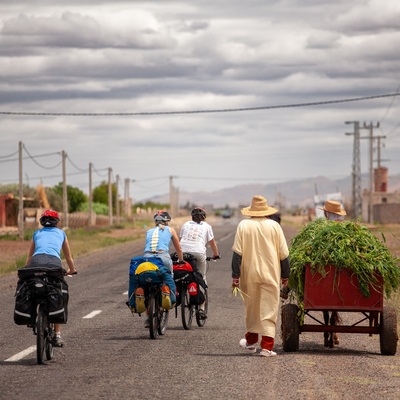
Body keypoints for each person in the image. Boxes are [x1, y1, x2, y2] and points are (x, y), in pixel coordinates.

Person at [231, 195, 290, 357]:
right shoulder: (275, 226)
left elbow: (237, 254)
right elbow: (284, 254)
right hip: (271, 274)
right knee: (269, 308)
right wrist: (286, 276)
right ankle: (267, 347)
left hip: (249, 274)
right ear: (267, 211)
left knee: (252, 307)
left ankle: (251, 342)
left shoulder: (243, 225)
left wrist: (235, 276)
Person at [26, 209, 77, 347]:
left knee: (31, 287)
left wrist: (27, 270)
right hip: (54, 264)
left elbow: (30, 256)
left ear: (42, 221)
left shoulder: (37, 233)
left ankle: (30, 317)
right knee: (58, 293)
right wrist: (72, 270)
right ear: (57, 222)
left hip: (36, 263)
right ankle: (57, 335)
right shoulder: (61, 233)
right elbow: (68, 256)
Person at [319, 200, 346, 347]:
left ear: (325, 213)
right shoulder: (349, 230)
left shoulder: (321, 229)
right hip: (344, 271)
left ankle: (286, 289)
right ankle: (333, 329)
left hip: (325, 272)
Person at [179, 207, 220, 283]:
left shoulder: (186, 224)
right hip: (198, 252)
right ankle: (202, 292)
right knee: (202, 277)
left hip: (183, 252)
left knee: (180, 274)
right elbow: (213, 244)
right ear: (204, 217)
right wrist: (216, 254)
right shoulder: (207, 226)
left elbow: (180, 240)